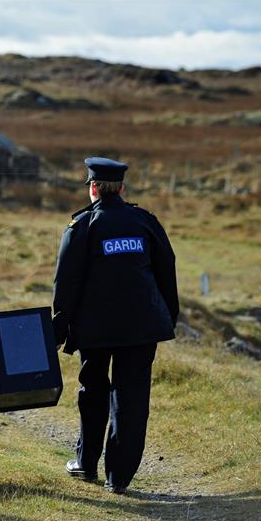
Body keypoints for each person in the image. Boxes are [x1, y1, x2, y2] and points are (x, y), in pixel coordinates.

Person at [52, 157, 178, 494]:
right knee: (132, 398)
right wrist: (168, 316)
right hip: (141, 328)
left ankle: (86, 462)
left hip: (96, 330)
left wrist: (61, 325)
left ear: (93, 188)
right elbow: (167, 270)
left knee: (92, 390)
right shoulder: (145, 222)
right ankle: (118, 478)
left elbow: (66, 281)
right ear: (121, 188)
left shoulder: (82, 226)